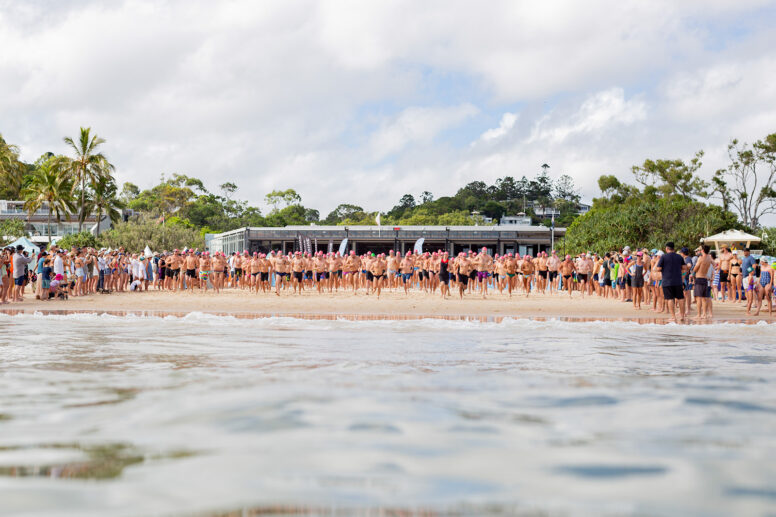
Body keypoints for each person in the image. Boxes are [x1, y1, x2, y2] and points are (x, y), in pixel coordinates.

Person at [655, 241, 688, 323]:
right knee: (680, 298)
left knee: (670, 298)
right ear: (674, 248)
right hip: (678, 281)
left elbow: (658, 269)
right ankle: (682, 315)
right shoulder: (679, 257)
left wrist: (664, 268)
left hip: (667, 281)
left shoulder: (663, 257)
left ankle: (673, 317)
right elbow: (684, 267)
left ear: (666, 248)